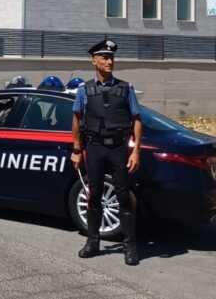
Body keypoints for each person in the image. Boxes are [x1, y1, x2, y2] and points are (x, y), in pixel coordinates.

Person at [70, 39, 143, 266]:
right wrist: (76, 149)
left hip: (119, 148)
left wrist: (136, 151)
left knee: (123, 195)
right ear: (94, 61)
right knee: (94, 194)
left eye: (111, 57)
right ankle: (93, 242)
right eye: (104, 57)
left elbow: (137, 119)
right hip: (95, 147)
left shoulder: (125, 89)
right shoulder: (84, 91)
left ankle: (130, 245)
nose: (109, 61)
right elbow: (77, 119)